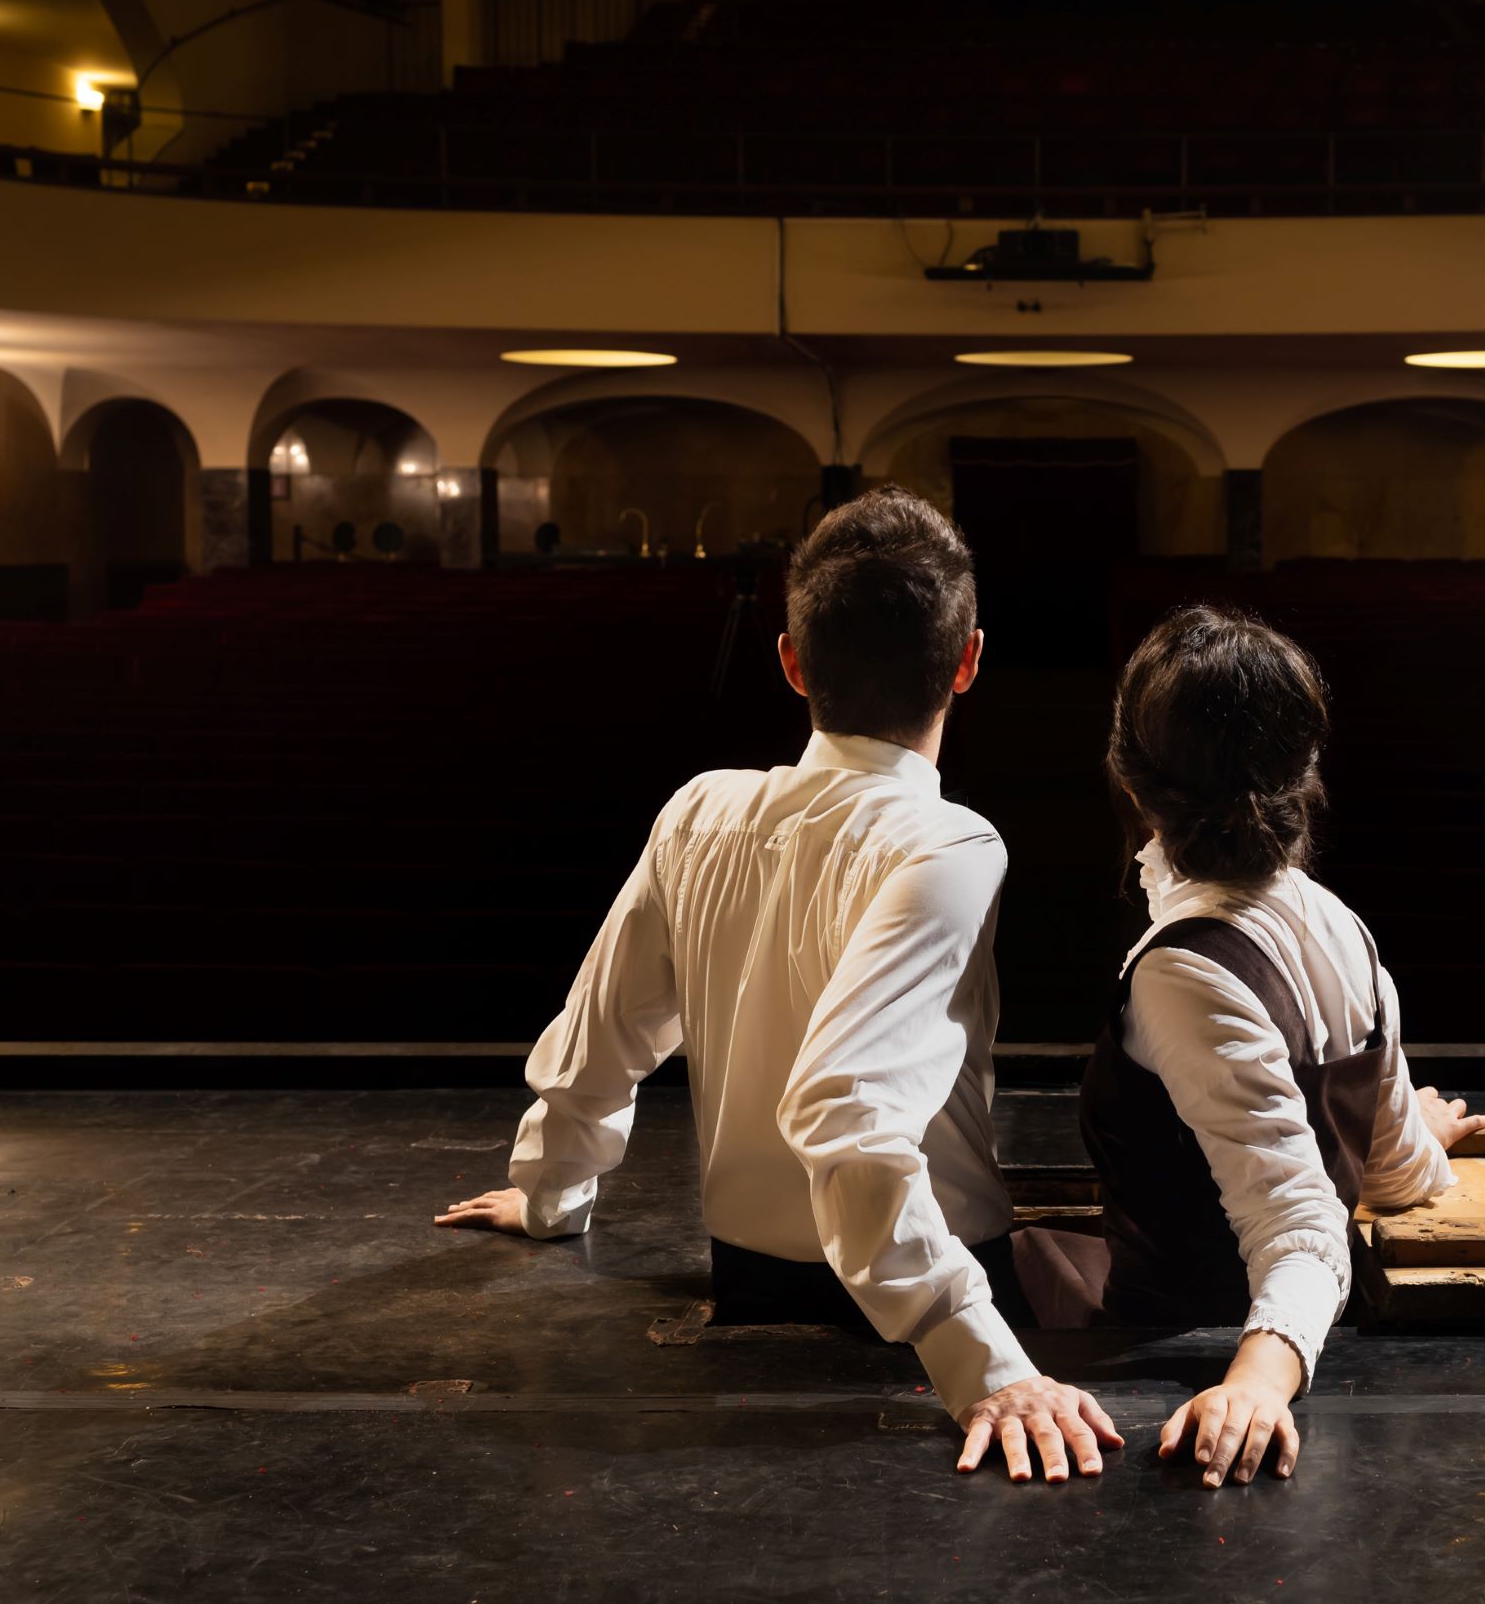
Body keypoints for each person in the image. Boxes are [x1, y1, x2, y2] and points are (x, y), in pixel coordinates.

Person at [435, 488, 1121, 1485]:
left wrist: (551, 1196)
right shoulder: (950, 842)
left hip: (749, 1282)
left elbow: (600, 1038)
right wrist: (985, 1369)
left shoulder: (698, 810)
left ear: (793, 662)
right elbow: (847, 1109)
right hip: (933, 1303)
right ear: (968, 661)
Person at [1013, 604, 1485, 1489]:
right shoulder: (1340, 927)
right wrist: (1404, 1136)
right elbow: (1394, 1180)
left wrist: (1256, 1383)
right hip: (1271, 1310)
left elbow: (1301, 1227)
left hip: (1171, 1343)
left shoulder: (1183, 972)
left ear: (1131, 783)